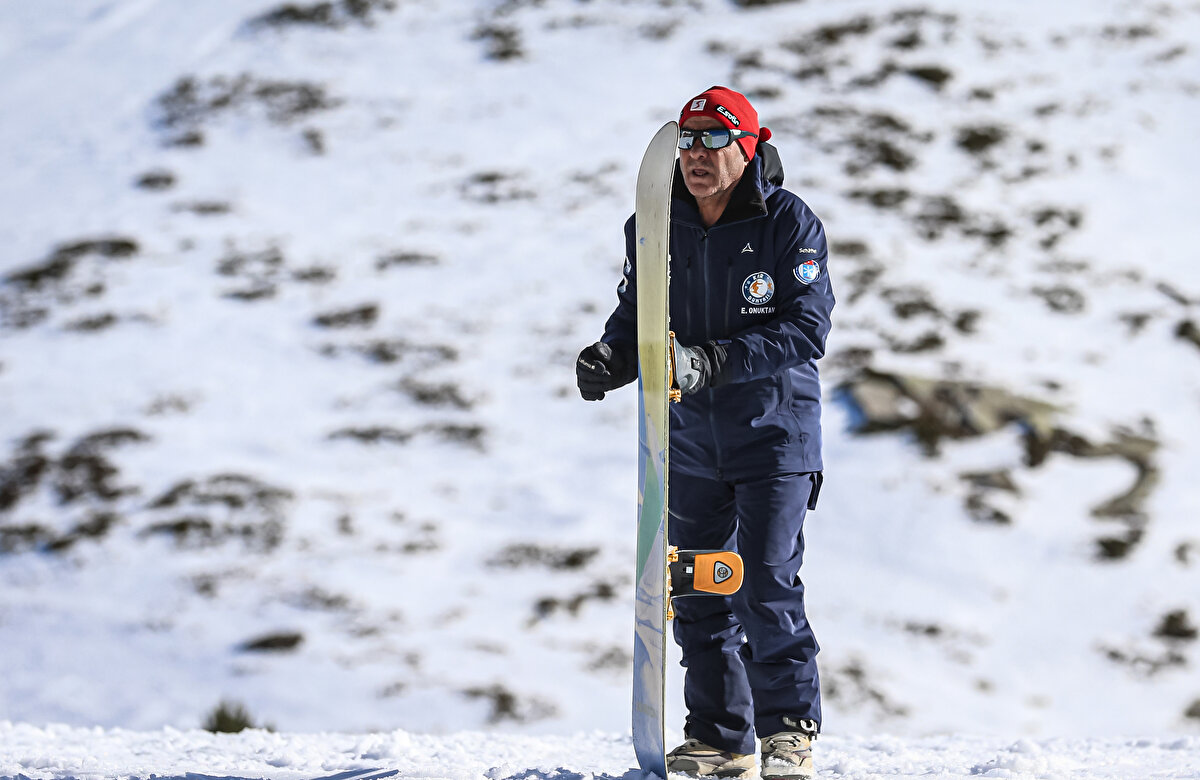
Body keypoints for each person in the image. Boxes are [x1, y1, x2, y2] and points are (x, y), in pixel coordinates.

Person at [575, 86, 834, 779]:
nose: (696, 155)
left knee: (765, 581)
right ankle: (722, 739)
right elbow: (639, 316)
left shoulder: (788, 224)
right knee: (698, 586)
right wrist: (611, 358)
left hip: (773, 435)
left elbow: (806, 329)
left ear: (748, 148)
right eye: (688, 140)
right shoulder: (655, 224)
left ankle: (788, 733)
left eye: (714, 140)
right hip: (688, 440)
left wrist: (714, 361)